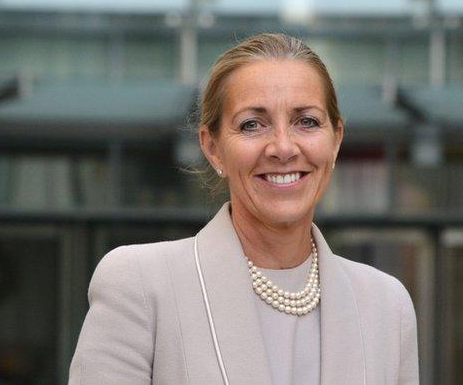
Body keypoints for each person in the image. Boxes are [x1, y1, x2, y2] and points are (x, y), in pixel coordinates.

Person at [68, 33, 419, 384]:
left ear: (336, 139)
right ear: (213, 147)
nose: (283, 147)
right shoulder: (141, 284)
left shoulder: (387, 307)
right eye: (253, 124)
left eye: (307, 121)